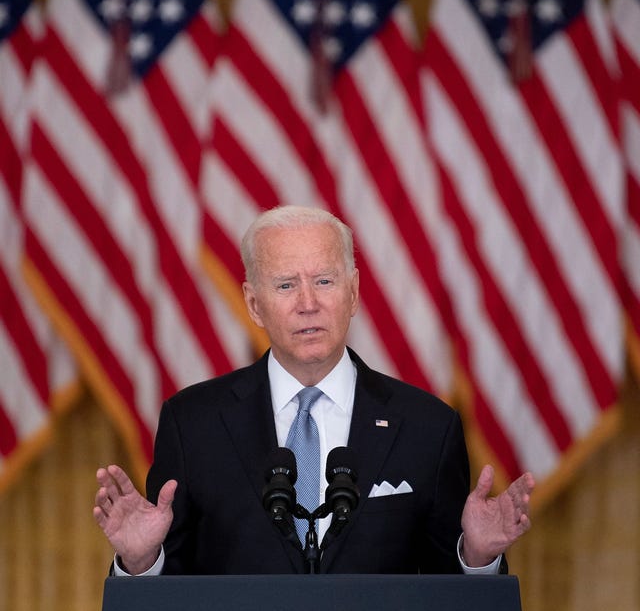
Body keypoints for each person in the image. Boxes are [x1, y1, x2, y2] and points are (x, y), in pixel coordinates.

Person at [94, 205, 534, 576]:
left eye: (324, 281)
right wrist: (140, 560)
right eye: (286, 285)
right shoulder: (193, 424)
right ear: (253, 304)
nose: (308, 303)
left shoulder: (427, 427)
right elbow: (171, 594)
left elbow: (451, 597)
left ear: (354, 292)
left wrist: (477, 556)